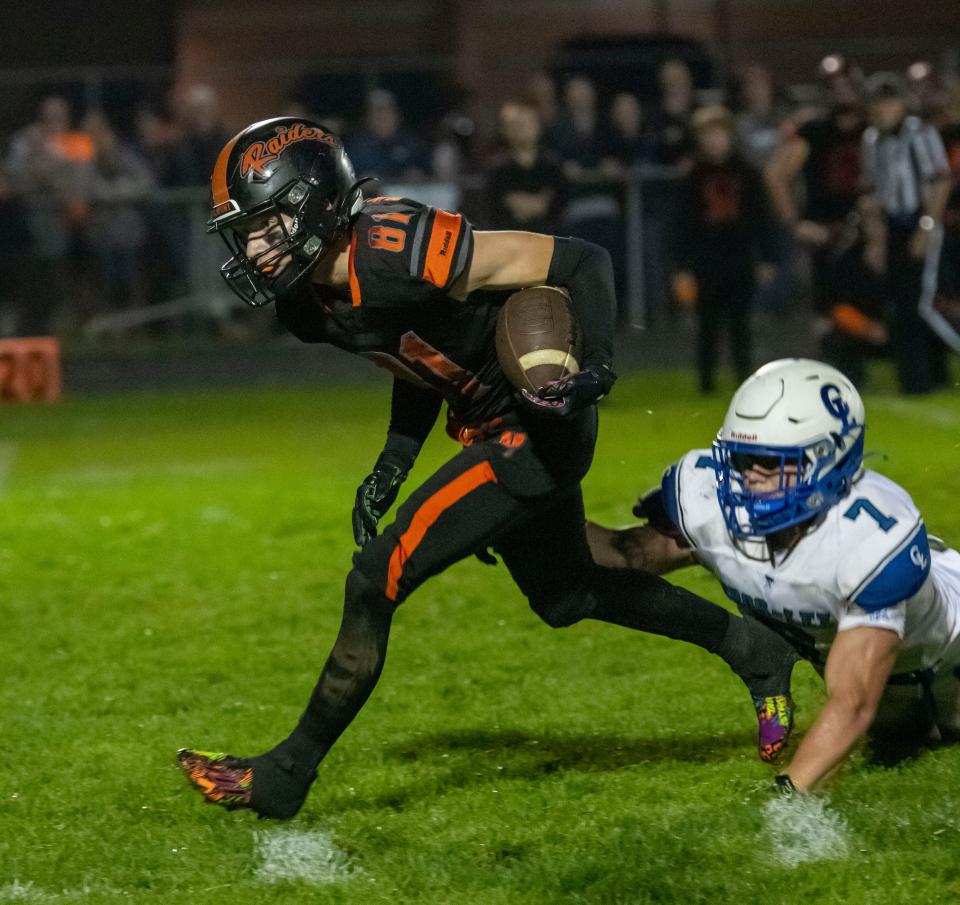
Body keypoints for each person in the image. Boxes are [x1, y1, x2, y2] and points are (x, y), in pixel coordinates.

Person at [176, 117, 796, 819]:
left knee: (376, 577)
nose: (252, 246)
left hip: (536, 419)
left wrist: (596, 367)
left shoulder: (399, 246)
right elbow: (414, 350)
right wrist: (395, 459)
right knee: (570, 595)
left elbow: (582, 259)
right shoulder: (305, 302)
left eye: (263, 224)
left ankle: (285, 773)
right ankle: (756, 645)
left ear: (315, 203)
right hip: (488, 424)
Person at [588, 358, 960, 785]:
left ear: (830, 459)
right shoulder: (708, 500)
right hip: (900, 696)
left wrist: (786, 803)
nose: (752, 478)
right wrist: (519, 524)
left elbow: (853, 704)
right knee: (899, 737)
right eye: (744, 459)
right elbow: (627, 553)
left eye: (772, 462)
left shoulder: (870, 540)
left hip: (947, 667)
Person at [860, 73, 952, 394]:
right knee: (902, 305)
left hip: (919, 222)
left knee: (924, 305)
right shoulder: (872, 139)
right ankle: (915, 380)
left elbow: (941, 181)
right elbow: (871, 191)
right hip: (893, 227)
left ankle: (930, 375)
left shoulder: (921, 134)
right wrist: (875, 236)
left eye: (889, 102)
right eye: (878, 103)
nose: (884, 109)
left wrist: (927, 227)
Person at [675, 106, 774, 393]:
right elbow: (683, 224)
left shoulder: (748, 173)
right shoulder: (693, 176)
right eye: (707, 134)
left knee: (740, 323)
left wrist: (765, 257)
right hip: (706, 258)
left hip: (739, 255)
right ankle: (706, 383)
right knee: (707, 325)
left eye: (718, 133)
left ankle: (744, 380)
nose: (714, 140)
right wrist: (682, 266)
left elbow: (760, 217)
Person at [765, 55, 865, 324]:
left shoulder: (874, 126)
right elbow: (775, 174)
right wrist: (795, 223)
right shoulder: (814, 130)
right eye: (835, 85)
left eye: (846, 83)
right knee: (830, 316)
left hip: (869, 231)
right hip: (827, 232)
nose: (842, 91)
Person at [485, 100, 565, 234]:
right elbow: (491, 210)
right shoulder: (496, 169)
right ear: (504, 130)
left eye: (527, 123)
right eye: (515, 125)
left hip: (549, 240)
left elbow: (559, 206)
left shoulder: (553, 165)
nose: (521, 129)